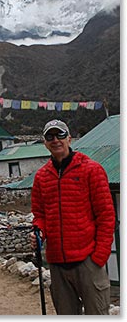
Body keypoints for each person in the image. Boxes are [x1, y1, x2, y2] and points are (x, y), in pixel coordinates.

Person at [30, 119, 115, 315]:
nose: (55, 140)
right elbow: (40, 215)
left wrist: (99, 257)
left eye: (60, 135)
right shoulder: (41, 177)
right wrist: (39, 232)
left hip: (88, 261)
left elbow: (106, 215)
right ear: (44, 142)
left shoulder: (91, 170)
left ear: (69, 138)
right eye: (50, 136)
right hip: (57, 264)